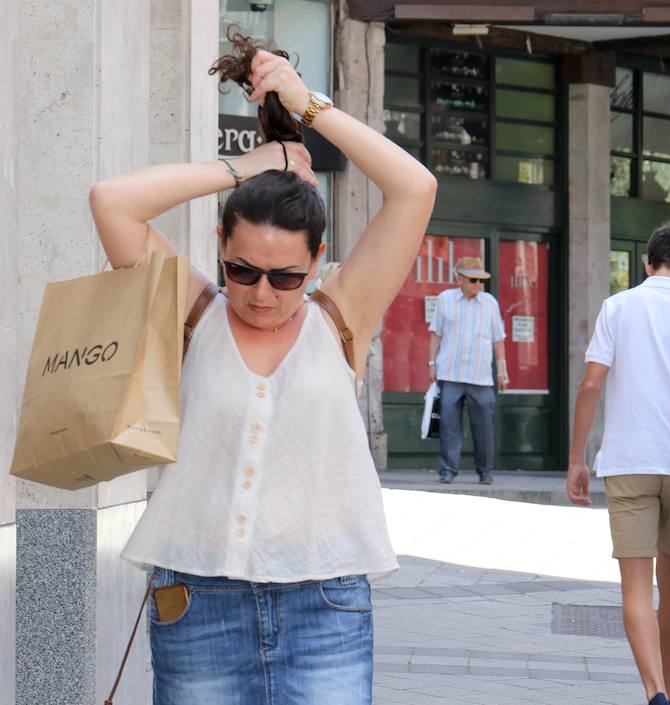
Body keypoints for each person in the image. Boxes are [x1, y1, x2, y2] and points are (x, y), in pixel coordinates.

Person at [89, 32, 436, 705]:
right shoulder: (196, 313)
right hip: (196, 604)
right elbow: (112, 202)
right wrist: (246, 168)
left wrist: (311, 111)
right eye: (242, 268)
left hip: (326, 605)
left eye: (287, 277)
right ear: (221, 244)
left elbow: (415, 188)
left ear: (319, 259)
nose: (261, 292)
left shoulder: (341, 317)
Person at [568, 225, 670, 705]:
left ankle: (654, 690)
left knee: (635, 585)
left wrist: (577, 459)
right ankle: (668, 689)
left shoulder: (618, 307)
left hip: (629, 459)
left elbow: (591, 386)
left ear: (648, 265)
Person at [428, 256, 508, 484]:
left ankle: (485, 471)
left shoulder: (490, 302)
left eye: (481, 281)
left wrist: (502, 371)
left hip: (480, 376)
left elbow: (498, 339)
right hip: (450, 373)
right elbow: (435, 333)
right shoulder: (445, 299)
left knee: (483, 429)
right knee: (449, 427)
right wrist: (431, 364)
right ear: (460, 278)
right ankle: (448, 471)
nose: (477, 285)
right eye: (473, 280)